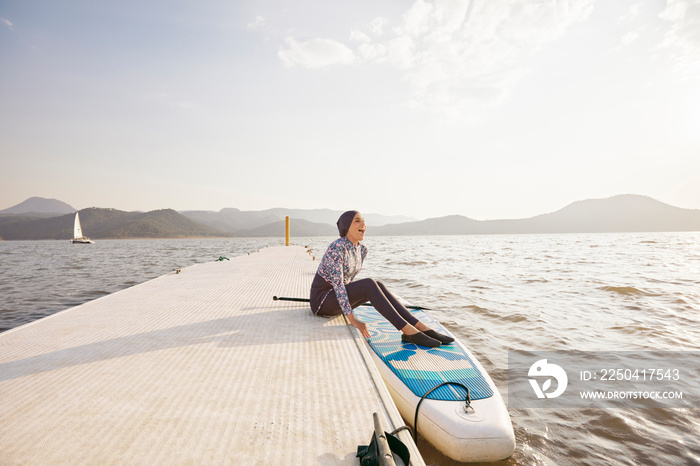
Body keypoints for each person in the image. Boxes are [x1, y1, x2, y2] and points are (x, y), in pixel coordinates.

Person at [309, 210, 454, 348]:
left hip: (336, 301)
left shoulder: (362, 249)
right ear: (346, 226)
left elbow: (350, 281)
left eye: (364, 221)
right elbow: (339, 285)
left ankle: (420, 327)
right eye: (357, 221)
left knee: (377, 284)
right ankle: (408, 331)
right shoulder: (336, 247)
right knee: (369, 284)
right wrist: (352, 319)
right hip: (323, 302)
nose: (363, 225)